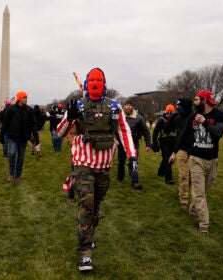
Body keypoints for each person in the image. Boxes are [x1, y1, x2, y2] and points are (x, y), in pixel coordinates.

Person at [57, 67, 137, 272]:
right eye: (91, 81)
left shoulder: (114, 107)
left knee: (95, 209)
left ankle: (88, 236)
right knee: (86, 206)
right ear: (86, 82)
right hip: (83, 166)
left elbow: (123, 131)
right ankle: (85, 254)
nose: (95, 84)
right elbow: (60, 132)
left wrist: (132, 156)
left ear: (104, 83)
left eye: (98, 81)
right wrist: (70, 117)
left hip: (104, 167)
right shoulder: (78, 106)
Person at [169, 90, 223, 233]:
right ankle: (204, 225)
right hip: (195, 159)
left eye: (196, 100)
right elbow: (183, 135)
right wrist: (174, 152)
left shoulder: (220, 115)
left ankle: (194, 210)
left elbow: (218, 132)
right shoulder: (193, 117)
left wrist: (205, 122)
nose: (194, 103)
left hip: (212, 160)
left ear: (204, 100)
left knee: (203, 191)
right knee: (198, 192)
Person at [0, 91, 39, 182]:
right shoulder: (11, 109)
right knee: (12, 154)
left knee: (21, 157)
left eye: (26, 97)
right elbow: (5, 123)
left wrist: (36, 136)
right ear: (19, 98)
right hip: (13, 137)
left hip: (24, 137)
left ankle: (18, 175)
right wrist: (1, 135)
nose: (26, 99)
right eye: (24, 97)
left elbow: (33, 124)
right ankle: (11, 174)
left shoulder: (30, 110)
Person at [164, 98, 193, 209]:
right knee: (183, 175)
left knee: (191, 176)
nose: (177, 108)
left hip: (194, 150)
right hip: (181, 149)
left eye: (179, 106)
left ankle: (181, 190)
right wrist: (171, 119)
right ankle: (183, 200)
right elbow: (167, 129)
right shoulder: (176, 116)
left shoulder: (194, 117)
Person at [117, 99, 151, 189]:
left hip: (134, 143)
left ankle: (135, 181)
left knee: (134, 162)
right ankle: (120, 178)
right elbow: (114, 129)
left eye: (130, 105)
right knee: (121, 161)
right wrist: (115, 140)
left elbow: (146, 131)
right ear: (124, 106)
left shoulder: (139, 118)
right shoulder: (119, 117)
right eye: (127, 105)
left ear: (133, 107)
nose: (128, 107)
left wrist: (148, 144)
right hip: (122, 143)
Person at [152, 104, 177, 184]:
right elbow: (155, 133)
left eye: (171, 111)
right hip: (164, 141)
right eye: (168, 111)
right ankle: (168, 178)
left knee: (168, 159)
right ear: (166, 111)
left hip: (173, 142)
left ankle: (160, 172)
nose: (169, 113)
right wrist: (155, 142)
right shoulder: (161, 120)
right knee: (167, 159)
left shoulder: (175, 120)